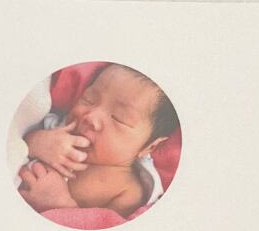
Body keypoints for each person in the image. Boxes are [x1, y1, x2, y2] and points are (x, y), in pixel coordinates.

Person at [19, 64, 178, 217]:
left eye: (119, 118)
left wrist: (60, 205)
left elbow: (100, 228)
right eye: (88, 99)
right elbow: (16, 139)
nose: (91, 117)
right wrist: (35, 142)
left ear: (149, 147)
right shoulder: (57, 130)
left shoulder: (127, 192)